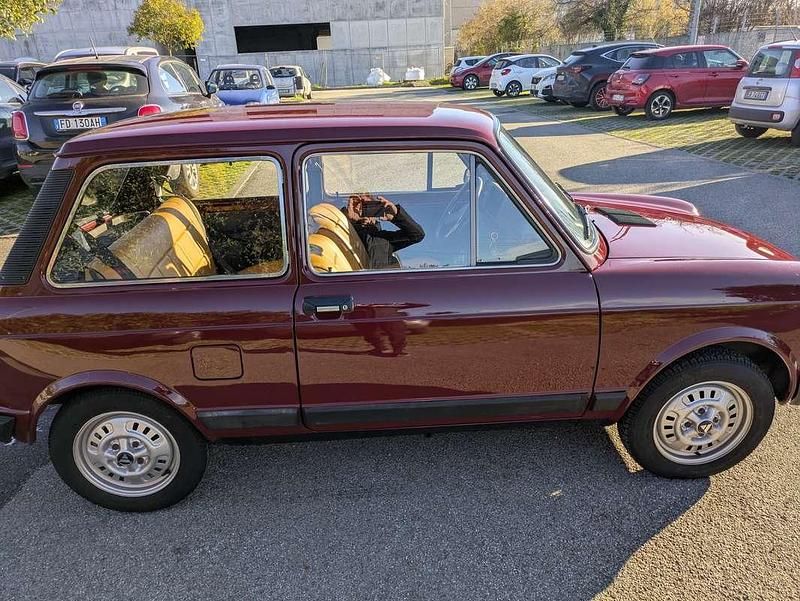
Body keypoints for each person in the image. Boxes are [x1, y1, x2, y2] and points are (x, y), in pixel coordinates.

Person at [344, 193, 425, 269]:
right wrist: (350, 220)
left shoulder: (383, 239)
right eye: (358, 205)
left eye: (368, 206)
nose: (362, 211)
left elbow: (417, 235)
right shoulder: (342, 227)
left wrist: (396, 215)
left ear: (377, 210)